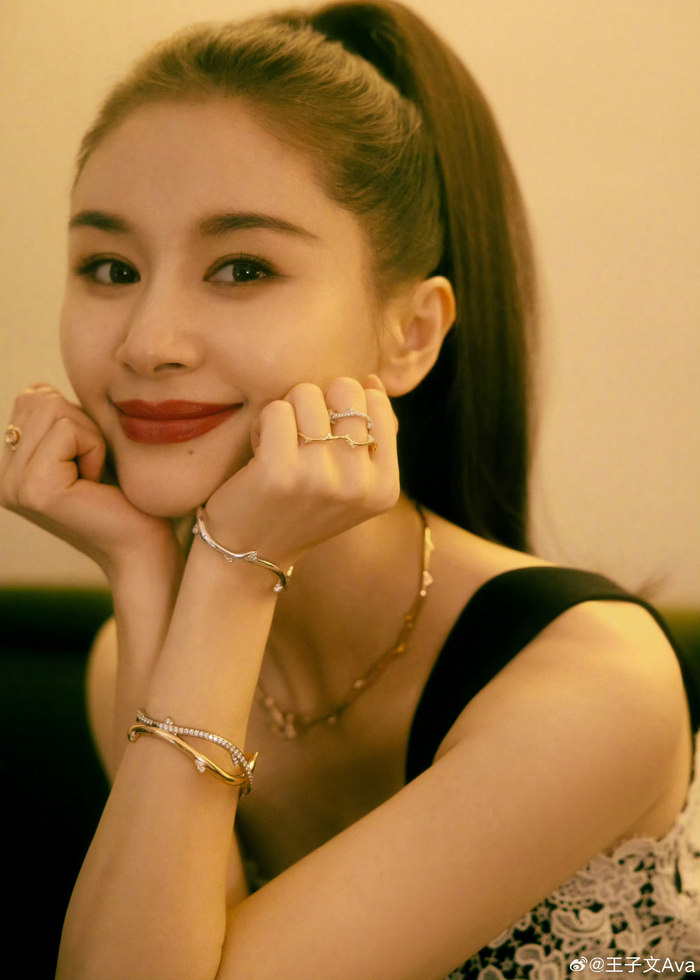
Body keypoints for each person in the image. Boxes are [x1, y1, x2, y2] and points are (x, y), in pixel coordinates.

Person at [1, 2, 698, 978]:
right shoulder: (131, 648)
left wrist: (232, 568)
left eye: (241, 267)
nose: (147, 342)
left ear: (410, 334)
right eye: (110, 267)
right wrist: (145, 573)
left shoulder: (597, 684)